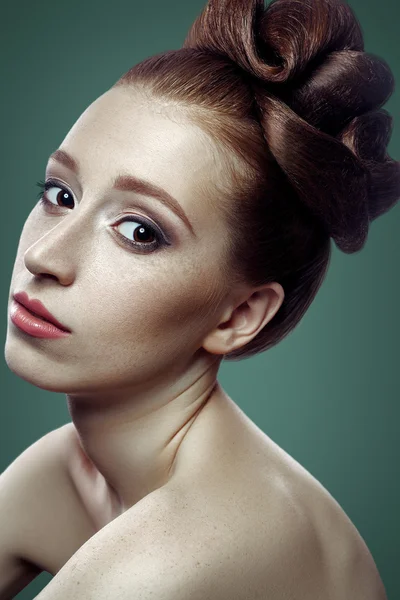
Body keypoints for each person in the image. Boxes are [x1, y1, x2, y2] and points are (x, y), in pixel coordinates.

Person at [1, 0, 398, 598]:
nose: (44, 257)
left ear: (241, 314)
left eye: (140, 232)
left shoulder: (183, 552)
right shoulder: (63, 471)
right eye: (60, 193)